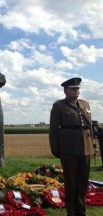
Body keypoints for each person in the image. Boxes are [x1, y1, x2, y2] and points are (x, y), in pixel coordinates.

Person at [49, 77, 93, 216]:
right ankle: (71, 212)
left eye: (78, 88)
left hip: (85, 148)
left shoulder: (85, 104)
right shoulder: (59, 106)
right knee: (71, 183)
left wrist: (91, 145)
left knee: (83, 183)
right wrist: (55, 149)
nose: (76, 91)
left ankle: (82, 211)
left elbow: (89, 127)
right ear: (66, 90)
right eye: (73, 89)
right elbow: (54, 129)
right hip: (68, 149)